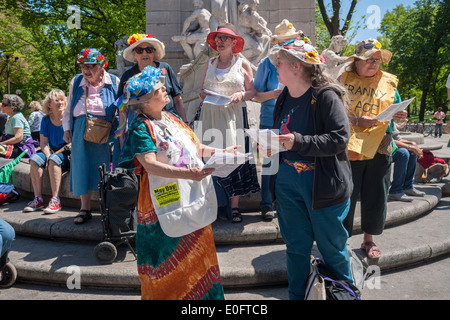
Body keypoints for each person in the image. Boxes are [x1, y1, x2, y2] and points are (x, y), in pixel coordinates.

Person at [118, 65, 228, 300]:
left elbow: (195, 146)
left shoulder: (172, 117)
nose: (166, 90)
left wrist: (224, 151)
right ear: (146, 100)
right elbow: (150, 165)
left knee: (198, 254)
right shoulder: (140, 128)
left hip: (190, 193)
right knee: (166, 257)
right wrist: (191, 173)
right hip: (162, 201)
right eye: (159, 89)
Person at [263, 36, 353, 300]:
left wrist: (297, 141)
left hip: (323, 187)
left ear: (296, 66)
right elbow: (283, 136)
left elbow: (339, 138)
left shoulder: (326, 96)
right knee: (296, 249)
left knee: (333, 250)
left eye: (279, 63)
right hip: (288, 186)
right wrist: (271, 145)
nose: (275, 68)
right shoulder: (283, 98)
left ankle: (345, 295)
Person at [340, 38, 406, 259]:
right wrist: (356, 119)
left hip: (381, 145)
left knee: (377, 192)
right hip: (350, 147)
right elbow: (330, 112)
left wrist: (401, 116)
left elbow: (398, 117)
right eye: (369, 60)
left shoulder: (389, 83)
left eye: (377, 60)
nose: (374, 64)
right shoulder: (343, 80)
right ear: (357, 61)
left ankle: (369, 239)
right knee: (346, 194)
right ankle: (342, 240)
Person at [198, 25, 260, 223]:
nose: (221, 41)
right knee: (209, 159)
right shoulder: (208, 63)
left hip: (233, 117)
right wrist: (205, 94)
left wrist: (241, 95)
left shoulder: (242, 64)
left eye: (225, 38)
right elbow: (201, 90)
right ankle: (212, 204)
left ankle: (234, 207)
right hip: (209, 116)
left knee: (233, 159)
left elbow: (252, 92)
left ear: (234, 42)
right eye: (218, 38)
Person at [253, 19, 304, 221]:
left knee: (293, 162)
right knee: (268, 163)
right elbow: (255, 94)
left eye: (291, 40)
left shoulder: (302, 60)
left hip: (297, 119)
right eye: (284, 41)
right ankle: (266, 204)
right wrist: (272, 95)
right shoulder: (267, 63)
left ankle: (287, 202)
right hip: (270, 119)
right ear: (276, 42)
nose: (288, 44)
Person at [62, 48, 120, 224]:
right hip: (82, 126)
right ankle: (84, 208)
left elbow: (123, 108)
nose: (86, 70)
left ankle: (111, 209)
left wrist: (122, 131)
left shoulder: (115, 81)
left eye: (92, 65)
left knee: (111, 168)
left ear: (103, 66)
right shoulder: (77, 81)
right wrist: (66, 130)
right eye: (83, 66)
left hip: (109, 128)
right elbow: (69, 105)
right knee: (82, 166)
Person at [116, 33, 187, 143]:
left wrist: (184, 124)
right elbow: (122, 108)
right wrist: (121, 136)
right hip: (140, 125)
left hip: (169, 121)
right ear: (134, 54)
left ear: (154, 53)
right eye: (140, 50)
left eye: (148, 50)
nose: (145, 53)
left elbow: (177, 99)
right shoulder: (128, 76)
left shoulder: (165, 68)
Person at [24, 89, 71, 213]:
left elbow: (72, 143)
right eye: (56, 100)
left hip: (65, 154)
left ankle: (56, 200)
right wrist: (49, 155)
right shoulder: (45, 119)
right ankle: (38, 198)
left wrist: (52, 156)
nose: (60, 102)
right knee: (34, 159)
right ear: (49, 104)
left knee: (54, 159)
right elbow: (43, 143)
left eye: (62, 100)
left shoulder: (69, 118)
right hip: (51, 151)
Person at [388, 124, 425, 202]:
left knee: (412, 151)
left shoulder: (391, 120)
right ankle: (395, 191)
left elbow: (397, 139)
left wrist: (412, 143)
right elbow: (386, 140)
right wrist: (410, 147)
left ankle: (407, 187)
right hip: (378, 149)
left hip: (388, 146)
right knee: (403, 153)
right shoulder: (383, 117)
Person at [1, 94, 39, 158]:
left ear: (12, 108)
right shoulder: (10, 117)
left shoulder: (16, 118)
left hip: (22, 147)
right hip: (14, 145)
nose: (1, 105)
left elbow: (18, 138)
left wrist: (2, 144)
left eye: (4, 105)